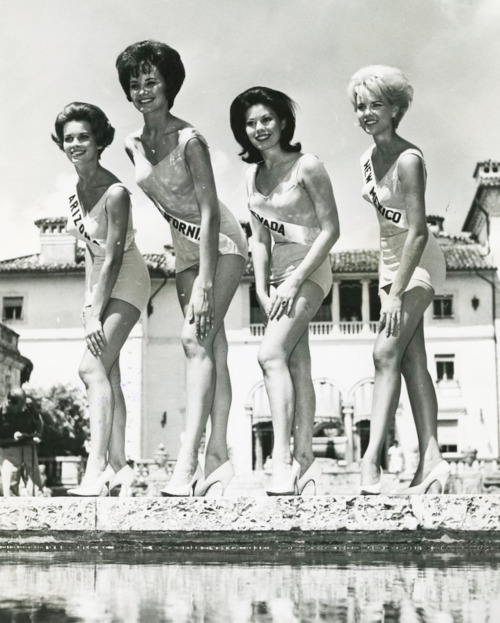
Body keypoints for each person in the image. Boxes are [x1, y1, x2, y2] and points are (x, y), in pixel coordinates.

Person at [116, 41, 248, 496]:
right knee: (214, 350)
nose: (142, 90)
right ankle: (219, 459)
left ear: (169, 85)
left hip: (220, 244)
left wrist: (207, 280)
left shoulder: (190, 140)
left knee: (194, 340)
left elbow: (209, 212)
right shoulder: (133, 143)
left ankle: (187, 461)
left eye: (151, 81)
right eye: (135, 83)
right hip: (183, 251)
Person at [230, 86, 339, 495]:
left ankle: (281, 460)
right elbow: (259, 239)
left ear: (282, 122)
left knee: (270, 354)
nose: (259, 128)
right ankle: (307, 462)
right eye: (250, 123)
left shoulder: (307, 165)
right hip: (277, 279)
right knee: (297, 364)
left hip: (310, 271)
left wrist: (294, 282)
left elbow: (331, 230)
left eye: (266, 119)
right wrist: (261, 288)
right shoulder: (251, 176)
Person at [347, 65, 449, 494]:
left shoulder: (409, 160)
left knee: (384, 351)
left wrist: (394, 295)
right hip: (390, 261)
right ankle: (433, 461)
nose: (367, 113)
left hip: (418, 259)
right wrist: (387, 283)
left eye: (376, 104)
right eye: (360, 106)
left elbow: (419, 231)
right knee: (411, 361)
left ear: (395, 109)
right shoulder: (366, 160)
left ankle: (371, 461)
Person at [52, 102, 150, 496]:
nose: (75, 144)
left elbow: (113, 257)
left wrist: (96, 313)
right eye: (68, 138)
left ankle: (96, 469)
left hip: (127, 279)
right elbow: (90, 255)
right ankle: (121, 466)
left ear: (99, 142)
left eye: (83, 137)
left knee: (90, 368)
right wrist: (88, 304)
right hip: (100, 282)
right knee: (108, 374)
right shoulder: (74, 190)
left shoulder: (116, 193)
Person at [0, 388, 43, 496]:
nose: (22, 409)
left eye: (23, 405)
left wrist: (38, 435)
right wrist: (12, 439)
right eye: (19, 407)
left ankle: (36, 502)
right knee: (10, 482)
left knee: (34, 483)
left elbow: (39, 421)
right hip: (9, 449)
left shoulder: (28, 405)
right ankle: (11, 505)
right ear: (10, 402)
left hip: (28, 446)